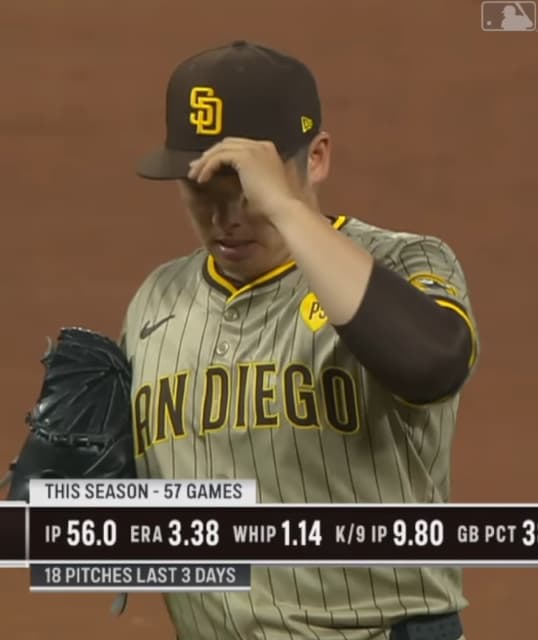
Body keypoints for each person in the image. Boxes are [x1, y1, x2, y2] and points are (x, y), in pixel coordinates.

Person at [120, 39, 478, 640]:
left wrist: (286, 209)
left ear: (315, 158)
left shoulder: (406, 261)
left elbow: (434, 365)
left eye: (245, 188)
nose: (225, 217)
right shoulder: (156, 300)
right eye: (202, 189)